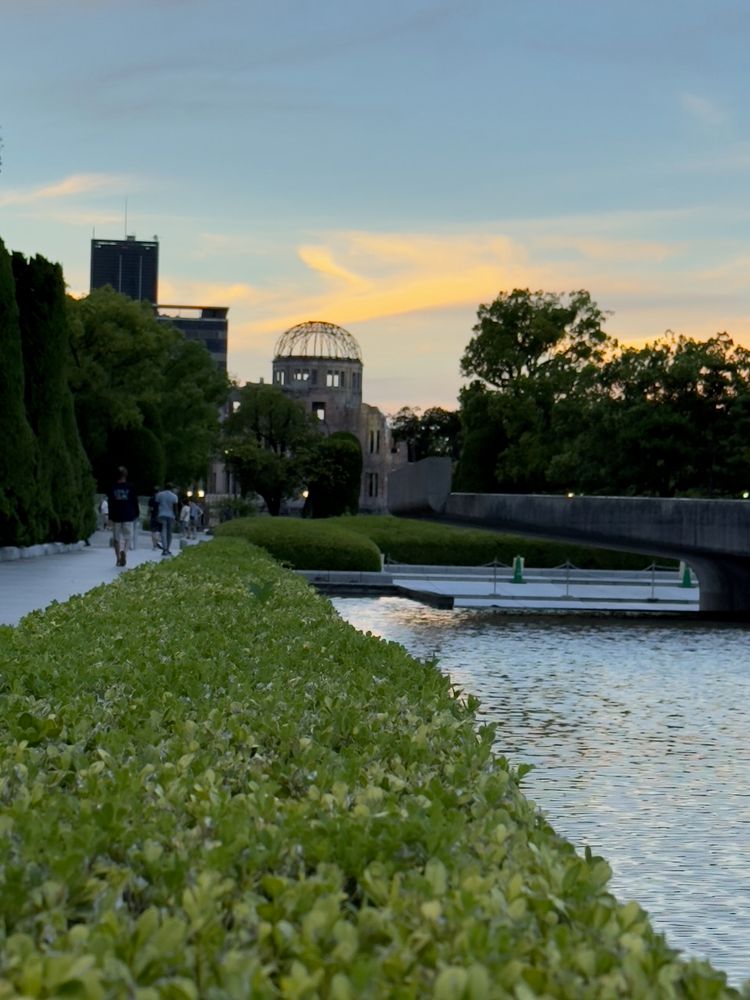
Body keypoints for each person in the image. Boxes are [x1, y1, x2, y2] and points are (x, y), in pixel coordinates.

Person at [107, 466, 140, 567]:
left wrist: (110, 517)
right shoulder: (131, 487)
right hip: (128, 514)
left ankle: (118, 558)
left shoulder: (113, 487)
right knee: (128, 537)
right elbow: (135, 501)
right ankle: (124, 552)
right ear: (126, 475)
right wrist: (137, 513)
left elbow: (110, 503)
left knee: (116, 538)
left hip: (116, 515)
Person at [155, 482, 179, 556]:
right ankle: (168, 548)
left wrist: (156, 515)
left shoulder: (159, 495)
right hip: (171, 516)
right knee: (169, 533)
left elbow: (156, 505)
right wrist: (176, 517)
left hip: (162, 514)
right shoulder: (174, 496)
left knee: (163, 531)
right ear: (171, 489)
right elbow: (175, 508)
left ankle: (164, 548)